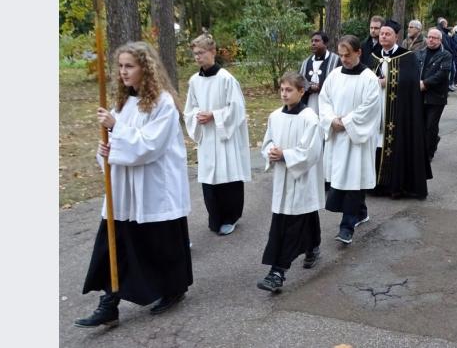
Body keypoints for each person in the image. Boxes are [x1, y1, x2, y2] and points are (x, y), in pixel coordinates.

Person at [75, 42, 192, 328]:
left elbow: (149, 146)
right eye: (120, 66)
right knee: (114, 243)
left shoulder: (163, 103)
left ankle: (173, 288)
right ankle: (109, 303)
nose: (123, 72)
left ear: (145, 68)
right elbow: (115, 145)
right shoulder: (123, 103)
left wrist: (116, 128)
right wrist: (106, 151)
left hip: (154, 188)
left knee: (158, 244)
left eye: (130, 66)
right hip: (124, 190)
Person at [258, 72, 325, 293]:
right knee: (304, 215)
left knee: (290, 225)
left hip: (301, 177)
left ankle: (278, 272)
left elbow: (311, 151)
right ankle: (313, 246)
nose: (284, 94)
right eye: (282, 90)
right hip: (282, 179)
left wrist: (286, 155)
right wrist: (271, 152)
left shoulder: (309, 118)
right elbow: (267, 141)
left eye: (289, 90)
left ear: (301, 91)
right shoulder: (275, 116)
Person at [184, 33, 251, 236]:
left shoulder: (226, 79)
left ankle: (230, 217)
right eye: (195, 54)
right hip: (207, 136)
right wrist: (198, 115)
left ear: (212, 52)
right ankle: (215, 218)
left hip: (224, 136)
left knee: (227, 176)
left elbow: (237, 108)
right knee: (210, 179)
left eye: (201, 53)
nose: (198, 57)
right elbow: (190, 108)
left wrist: (214, 115)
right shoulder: (194, 81)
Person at [319, 35, 381, 244]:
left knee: (354, 180)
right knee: (342, 179)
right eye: (341, 55)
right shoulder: (335, 75)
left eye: (348, 55)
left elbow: (370, 108)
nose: (343, 59)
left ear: (358, 52)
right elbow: (324, 101)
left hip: (357, 139)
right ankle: (361, 212)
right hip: (338, 136)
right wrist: (330, 120)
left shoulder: (369, 79)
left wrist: (345, 122)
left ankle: (347, 227)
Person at [368, 19, 432, 199]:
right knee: (377, 143)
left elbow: (411, 83)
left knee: (397, 145)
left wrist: (389, 82)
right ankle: (375, 185)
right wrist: (375, 82)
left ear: (396, 36)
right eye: (381, 33)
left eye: (387, 34)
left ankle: (395, 186)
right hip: (377, 109)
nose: (383, 36)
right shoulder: (373, 56)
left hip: (398, 111)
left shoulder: (407, 57)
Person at [416, 28, 453, 161]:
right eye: (429, 37)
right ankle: (430, 142)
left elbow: (443, 74)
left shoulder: (446, 55)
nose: (431, 40)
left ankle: (428, 153)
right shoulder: (419, 53)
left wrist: (425, 83)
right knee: (421, 124)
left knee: (431, 125)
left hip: (437, 96)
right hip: (419, 95)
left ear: (440, 40)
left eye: (434, 38)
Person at [300, 31, 341, 114]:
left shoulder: (336, 60)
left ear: (325, 44)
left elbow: (340, 82)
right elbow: (299, 80)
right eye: (312, 41)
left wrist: (321, 87)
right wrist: (309, 87)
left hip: (328, 103)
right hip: (309, 101)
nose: (313, 43)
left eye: (317, 41)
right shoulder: (306, 62)